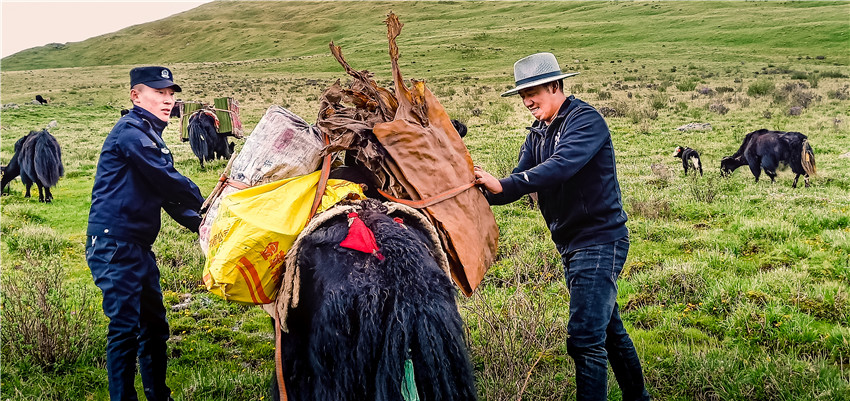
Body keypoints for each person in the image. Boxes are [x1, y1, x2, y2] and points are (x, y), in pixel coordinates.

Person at [474, 53, 651, 401]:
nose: (527, 101)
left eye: (532, 92)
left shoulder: (585, 121)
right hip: (571, 243)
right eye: (522, 95)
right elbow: (516, 182)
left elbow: (560, 166)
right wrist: (478, 190)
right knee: (608, 332)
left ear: (555, 86)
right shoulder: (538, 133)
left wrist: (506, 183)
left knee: (584, 338)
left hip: (599, 241)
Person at [86, 66, 205, 401]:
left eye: (170, 94)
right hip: (114, 245)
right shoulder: (131, 132)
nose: (168, 100)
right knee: (125, 328)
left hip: (136, 246)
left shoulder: (149, 133)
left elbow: (165, 194)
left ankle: (159, 396)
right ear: (136, 96)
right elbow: (166, 179)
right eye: (159, 93)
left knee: (154, 326)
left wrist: (203, 224)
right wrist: (209, 202)